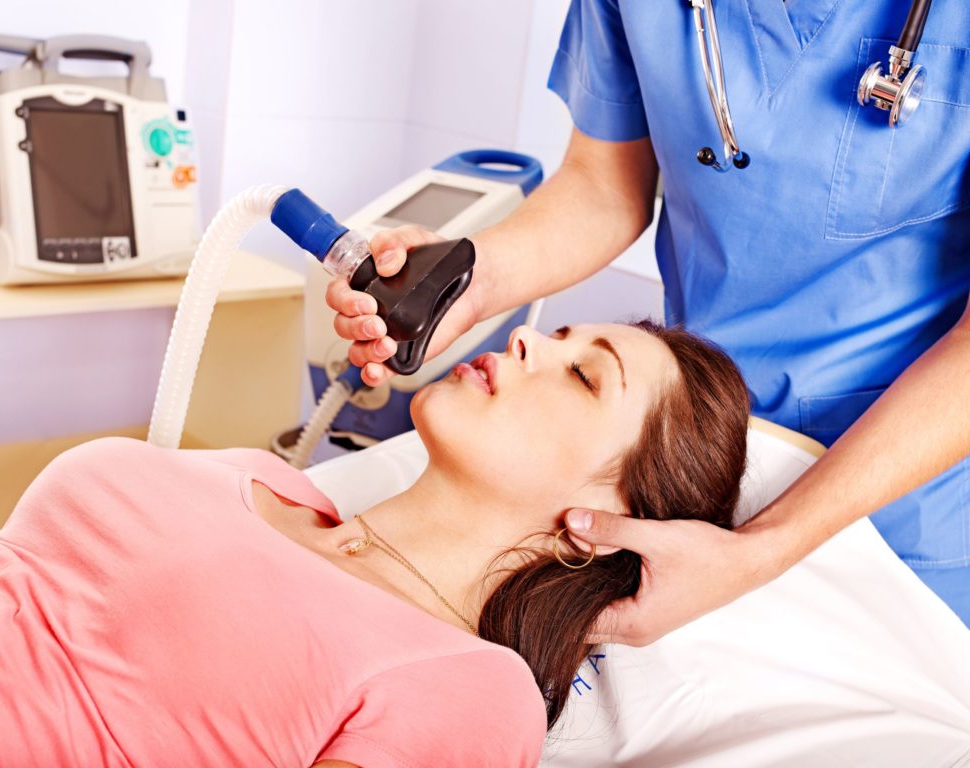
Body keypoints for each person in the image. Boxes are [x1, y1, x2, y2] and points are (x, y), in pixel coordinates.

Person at [327, 1, 970, 637]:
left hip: (898, 507)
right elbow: (604, 185)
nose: (522, 338)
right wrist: (476, 281)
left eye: (584, 373)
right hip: (683, 467)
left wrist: (765, 547)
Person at [0, 321, 748, 766]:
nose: (532, 341)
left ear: (615, 514)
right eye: (561, 335)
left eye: (583, 375)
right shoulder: (266, 477)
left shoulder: (473, 690)